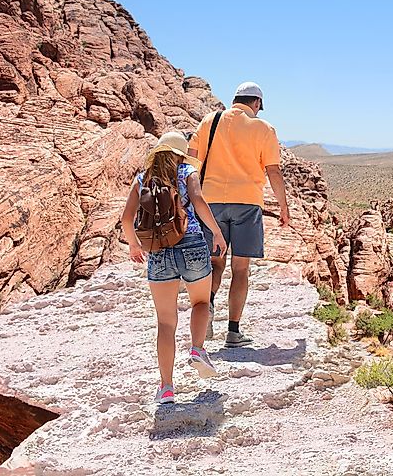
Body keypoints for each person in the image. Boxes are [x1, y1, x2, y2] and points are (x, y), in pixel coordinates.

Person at [121, 132, 227, 404]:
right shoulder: (187, 171)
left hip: (158, 249)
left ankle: (166, 388)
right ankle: (197, 349)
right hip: (191, 241)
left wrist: (134, 246)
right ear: (180, 154)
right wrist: (216, 232)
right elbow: (199, 202)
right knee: (201, 301)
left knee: (166, 321)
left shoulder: (142, 179)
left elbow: (126, 218)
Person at [189, 82, 290, 348]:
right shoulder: (263, 128)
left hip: (211, 204)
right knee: (241, 269)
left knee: (215, 262)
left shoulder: (210, 121)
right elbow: (274, 172)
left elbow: (190, 162)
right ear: (256, 103)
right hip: (247, 203)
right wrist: (283, 205)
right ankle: (233, 332)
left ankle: (208, 307)